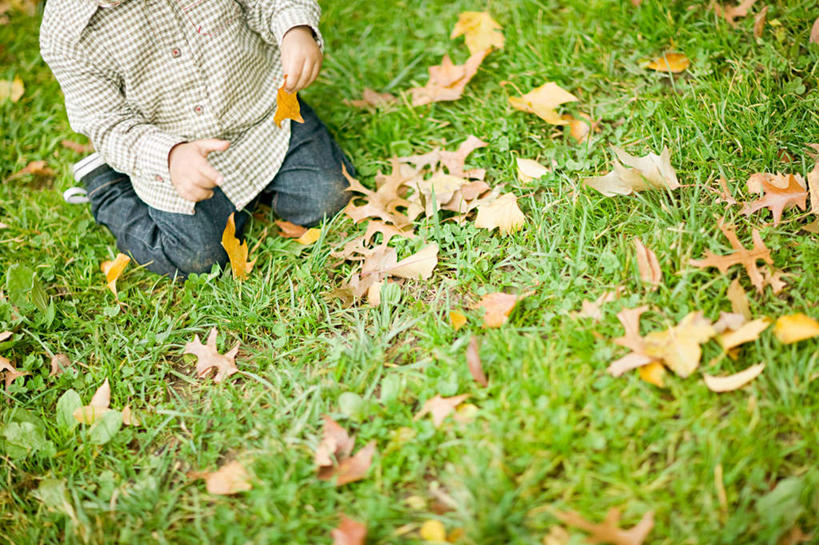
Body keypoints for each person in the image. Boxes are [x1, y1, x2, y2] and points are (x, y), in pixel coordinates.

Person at [40, 0, 353, 278]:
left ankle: (272, 182)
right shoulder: (67, 32)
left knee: (330, 196)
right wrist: (170, 156)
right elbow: (107, 122)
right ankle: (106, 185)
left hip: (264, 122)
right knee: (197, 258)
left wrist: (294, 29)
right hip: (174, 163)